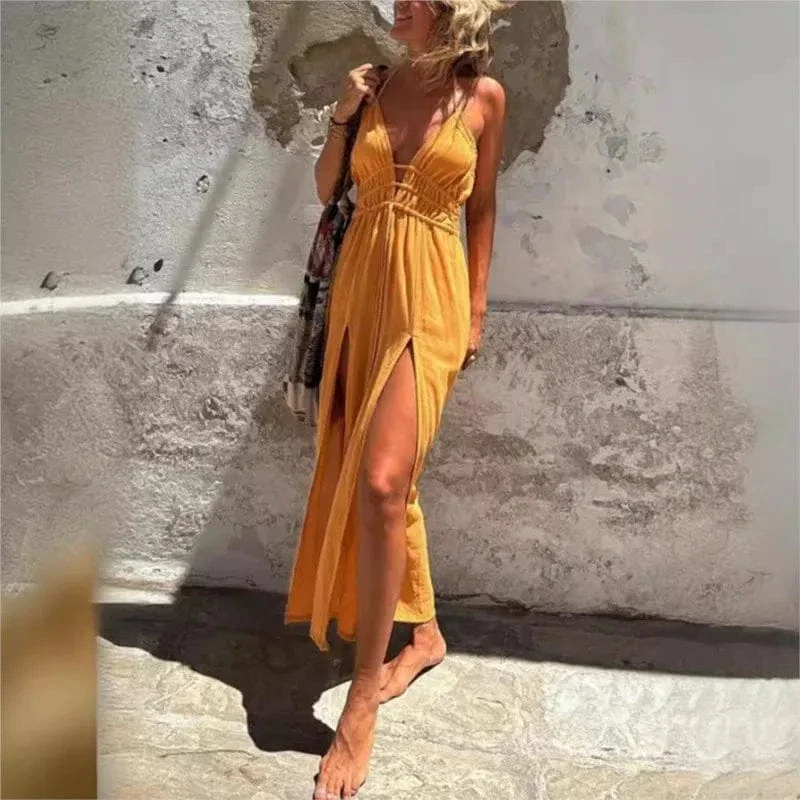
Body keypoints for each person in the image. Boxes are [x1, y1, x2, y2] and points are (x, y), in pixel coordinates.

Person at [285, 1, 506, 796]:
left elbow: (482, 207)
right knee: (385, 481)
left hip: (430, 303)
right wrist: (343, 115)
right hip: (361, 295)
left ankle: (360, 702)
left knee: (381, 484)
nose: (397, 5)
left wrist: (476, 308)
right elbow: (327, 189)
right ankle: (428, 635)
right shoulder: (374, 87)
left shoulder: (484, 98)